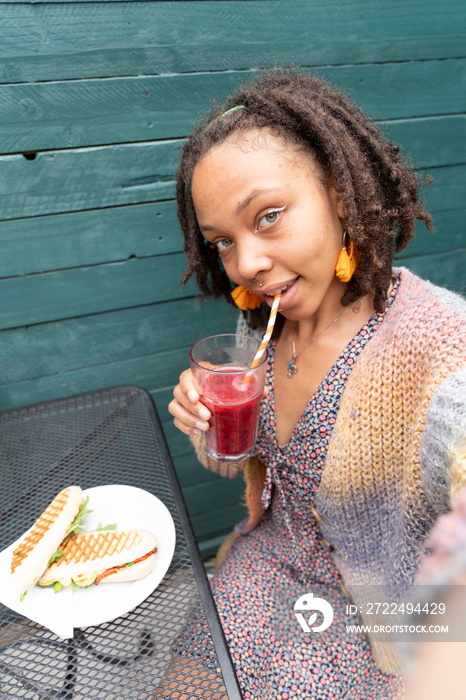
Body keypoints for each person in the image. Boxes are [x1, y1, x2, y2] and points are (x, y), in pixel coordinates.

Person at [168, 69, 466, 699]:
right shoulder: (266, 326)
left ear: (338, 192)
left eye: (268, 216)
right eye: (223, 241)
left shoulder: (436, 343)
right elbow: (253, 462)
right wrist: (208, 424)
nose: (245, 263)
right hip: (266, 565)